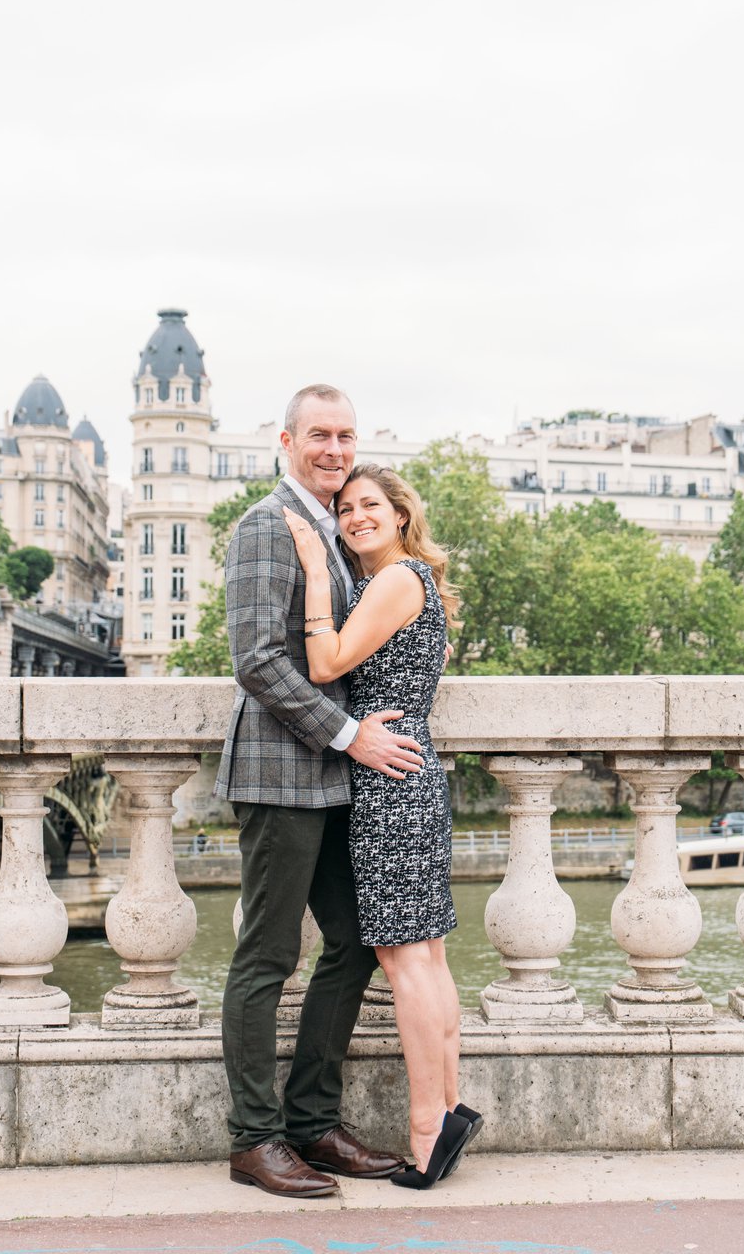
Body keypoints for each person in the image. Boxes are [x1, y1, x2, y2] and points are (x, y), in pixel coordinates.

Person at [216, 384, 424, 1199]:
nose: (335, 449)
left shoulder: (336, 530)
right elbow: (257, 660)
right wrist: (348, 734)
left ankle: (311, 1122)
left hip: (338, 778)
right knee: (268, 956)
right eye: (319, 436)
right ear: (287, 441)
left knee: (356, 940)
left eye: (346, 436)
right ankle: (253, 1139)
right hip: (282, 771)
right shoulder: (266, 524)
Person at [283, 462, 480, 1190]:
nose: (355, 517)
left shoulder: (395, 580)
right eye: (344, 510)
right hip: (410, 774)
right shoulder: (407, 582)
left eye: (370, 505)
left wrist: (314, 571)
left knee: (405, 963)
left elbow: (326, 660)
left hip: (390, 782)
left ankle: (429, 1130)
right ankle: (449, 1110)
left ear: (400, 515)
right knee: (427, 958)